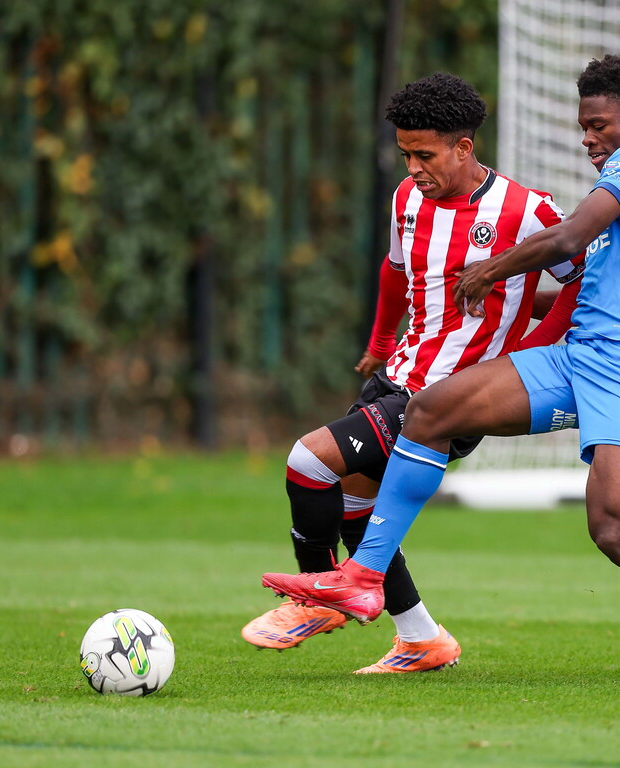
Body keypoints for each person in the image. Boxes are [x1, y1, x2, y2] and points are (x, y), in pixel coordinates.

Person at [262, 55, 620, 684]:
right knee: (431, 409)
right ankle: (365, 578)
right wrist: (504, 299)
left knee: (615, 529)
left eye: (599, 125)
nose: (588, 138)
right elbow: (585, 287)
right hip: (580, 353)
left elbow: (567, 239)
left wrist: (490, 270)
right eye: (584, 127)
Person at [244, 72, 583, 673]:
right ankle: (422, 639)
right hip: (398, 375)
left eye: (424, 154)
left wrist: (527, 355)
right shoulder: (407, 197)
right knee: (357, 513)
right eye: (405, 153)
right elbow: (396, 269)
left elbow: (579, 286)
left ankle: (316, 596)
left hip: (453, 398)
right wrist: (380, 340)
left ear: (463, 147)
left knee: (308, 461)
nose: (413, 167)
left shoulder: (527, 210)